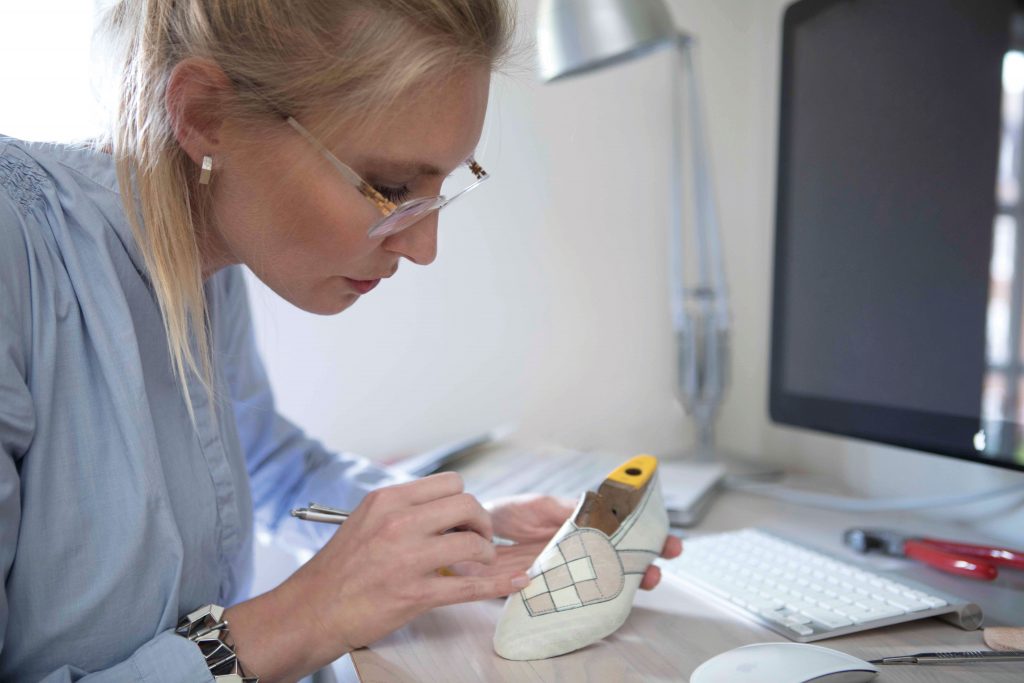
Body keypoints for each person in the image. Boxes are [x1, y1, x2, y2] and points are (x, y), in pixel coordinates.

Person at [0, 1, 682, 680]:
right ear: (205, 114)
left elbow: (271, 466)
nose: (424, 248)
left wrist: (446, 535)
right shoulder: (16, 254)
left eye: (441, 188)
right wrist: (307, 613)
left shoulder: (208, 250)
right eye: (390, 187)